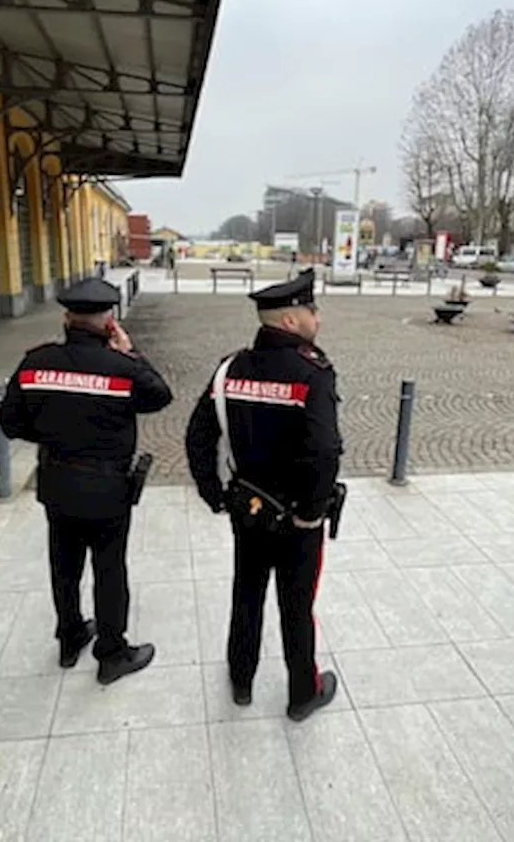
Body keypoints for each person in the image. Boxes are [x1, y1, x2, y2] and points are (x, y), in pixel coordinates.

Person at [184, 268, 342, 722]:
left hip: (247, 509)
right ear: (291, 321)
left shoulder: (230, 368)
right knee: (297, 606)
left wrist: (214, 494)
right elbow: (324, 450)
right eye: (311, 310)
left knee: (247, 593)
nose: (318, 317)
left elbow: (198, 435)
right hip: (296, 518)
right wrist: (312, 513)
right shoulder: (314, 372)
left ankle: (241, 681)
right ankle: (301, 695)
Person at [0, 277, 172, 684]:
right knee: (109, 569)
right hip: (108, 489)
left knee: (64, 565)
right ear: (109, 321)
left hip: (57, 482)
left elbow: (9, 423)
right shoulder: (123, 368)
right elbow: (160, 395)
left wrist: (52, 434)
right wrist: (131, 352)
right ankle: (111, 654)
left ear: (66, 317)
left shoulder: (35, 362)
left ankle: (70, 635)